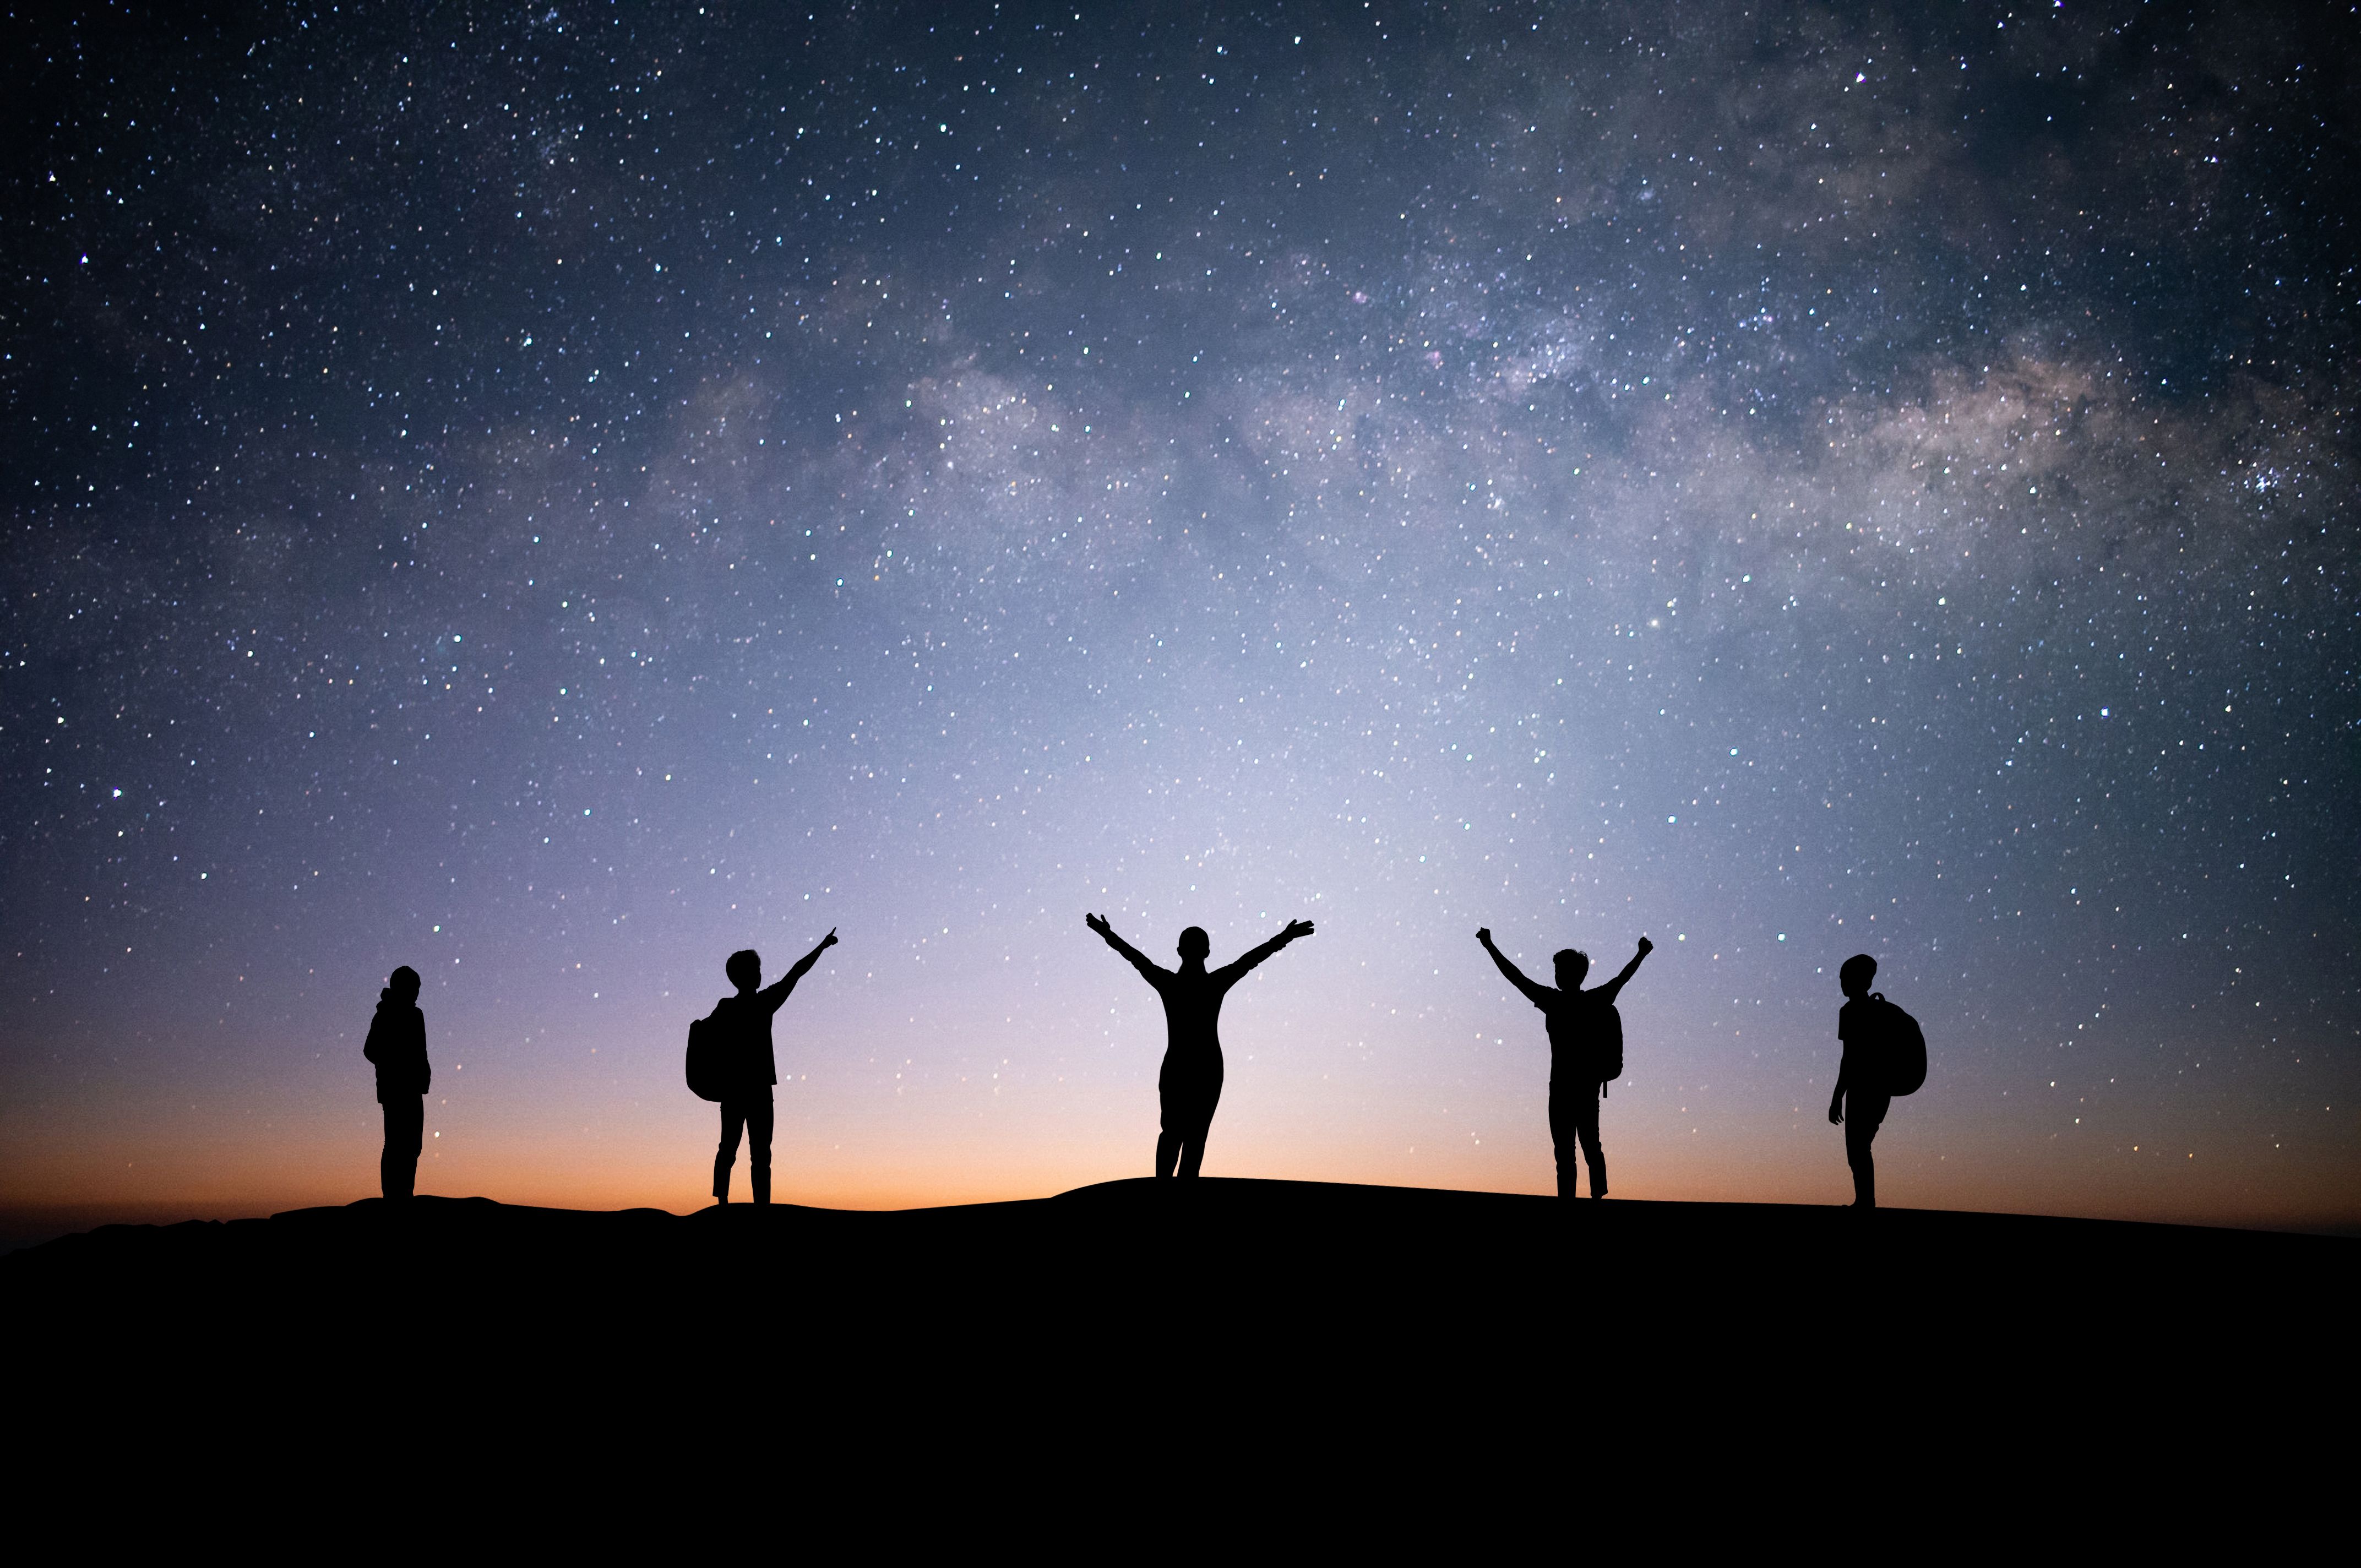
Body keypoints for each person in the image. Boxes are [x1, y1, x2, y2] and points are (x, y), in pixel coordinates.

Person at [1086, 913, 1314, 1178]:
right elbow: (1248, 961)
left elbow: (1135, 958)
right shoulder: (1210, 983)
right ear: (1207, 952)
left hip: (1185, 1067)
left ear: (1180, 951)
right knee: (1189, 1136)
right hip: (1204, 1068)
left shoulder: (1173, 983)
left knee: (1178, 1134)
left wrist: (1107, 934)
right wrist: (1284, 938)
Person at [1476, 929, 1652, 1199]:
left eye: (1559, 970)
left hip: (1563, 1090)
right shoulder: (1594, 1000)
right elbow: (1622, 979)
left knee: (1569, 1154)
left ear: (1571, 973)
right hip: (1581, 1088)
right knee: (1588, 1148)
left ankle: (1571, 1203)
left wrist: (1489, 945)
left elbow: (1516, 977)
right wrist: (1641, 954)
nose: (1556, 975)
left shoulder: (1555, 1002)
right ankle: (1595, 1198)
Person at [711, 930, 837, 1205]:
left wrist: (821, 946)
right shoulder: (757, 1003)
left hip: (740, 1091)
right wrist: (823, 945)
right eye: (756, 969)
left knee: (739, 1151)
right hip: (751, 1090)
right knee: (751, 1153)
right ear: (743, 975)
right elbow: (796, 973)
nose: (760, 973)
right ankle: (746, 1206)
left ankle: (730, 1203)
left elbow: (795, 973)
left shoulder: (728, 1008)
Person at [362, 965, 431, 1201]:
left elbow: (421, 1051)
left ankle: (405, 1194)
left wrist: (422, 1075)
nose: (417, 993)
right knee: (395, 1145)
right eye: (414, 987)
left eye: (418, 988)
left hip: (413, 1088)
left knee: (413, 1146)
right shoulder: (386, 1014)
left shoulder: (416, 1015)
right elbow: (370, 1050)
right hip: (395, 1089)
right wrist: (395, 1062)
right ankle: (393, 1197)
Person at [1830, 954, 1889, 1209]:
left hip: (1862, 1089)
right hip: (1879, 1088)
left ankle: (1866, 1202)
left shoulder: (1851, 1012)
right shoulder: (1878, 1010)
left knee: (1858, 1149)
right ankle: (1865, 1201)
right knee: (1860, 1147)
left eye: (1845, 979)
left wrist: (1837, 1097)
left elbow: (1849, 1058)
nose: (1842, 983)